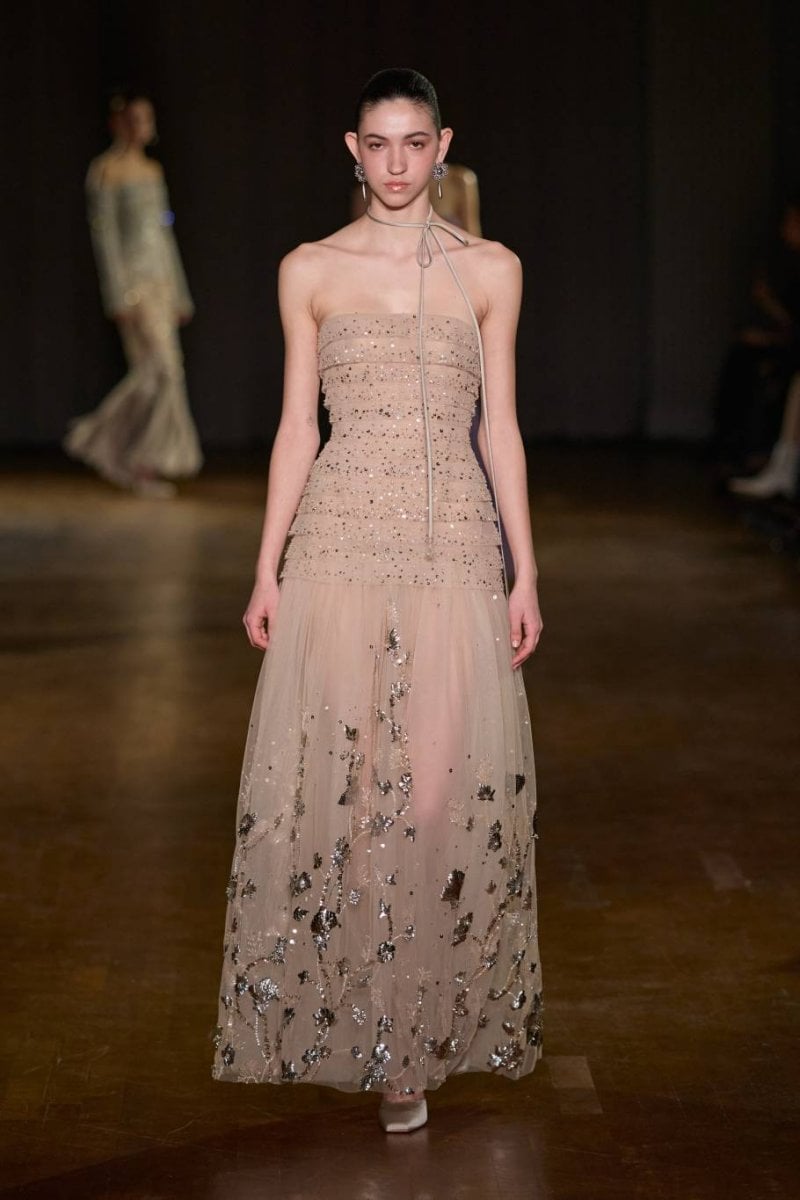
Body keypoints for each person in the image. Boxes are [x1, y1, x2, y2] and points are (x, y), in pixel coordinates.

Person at [212, 67, 543, 1134]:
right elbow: (294, 429)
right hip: (339, 542)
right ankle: (382, 1040)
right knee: (353, 796)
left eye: (414, 142)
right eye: (377, 143)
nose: (396, 163)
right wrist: (267, 565)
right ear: (351, 150)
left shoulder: (490, 270)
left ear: (442, 145)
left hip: (453, 547)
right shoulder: (310, 269)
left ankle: (412, 1027)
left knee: (437, 794)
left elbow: (499, 427)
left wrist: (525, 568)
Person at [64, 90, 202, 498]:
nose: (142, 126)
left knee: (160, 374)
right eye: (134, 119)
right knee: (160, 370)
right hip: (135, 285)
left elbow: (164, 232)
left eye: (146, 118)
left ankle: (132, 459)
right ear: (118, 123)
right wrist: (118, 293)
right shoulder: (105, 171)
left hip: (161, 283)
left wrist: (179, 291)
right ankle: (106, 443)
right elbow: (105, 238)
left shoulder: (152, 171)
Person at [710, 196, 800, 484]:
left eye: (791, 222)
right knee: (741, 357)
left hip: (790, 349)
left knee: (756, 366)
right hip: (788, 345)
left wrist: (769, 333)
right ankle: (739, 452)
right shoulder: (790, 267)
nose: (785, 229)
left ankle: (763, 458)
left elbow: (793, 326)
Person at [351, 159, 482, 235]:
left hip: (451, 266)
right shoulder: (368, 193)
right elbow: (362, 245)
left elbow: (472, 237)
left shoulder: (459, 180)